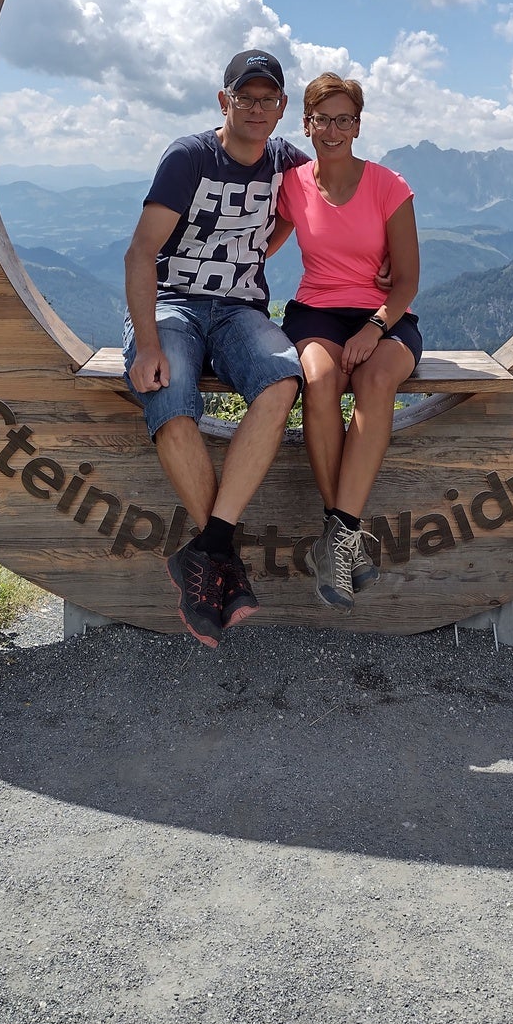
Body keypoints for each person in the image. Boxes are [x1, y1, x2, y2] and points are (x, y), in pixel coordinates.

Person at [123, 49, 305, 649]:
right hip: (174, 303)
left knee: (281, 380)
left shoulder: (287, 162)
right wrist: (147, 341)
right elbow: (140, 252)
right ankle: (222, 560)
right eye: (245, 97)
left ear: (281, 108)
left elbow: (333, 204)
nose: (257, 108)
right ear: (223, 100)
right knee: (169, 397)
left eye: (268, 99)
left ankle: (208, 555)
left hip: (239, 311)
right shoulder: (189, 157)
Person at [275, 73, 421, 610]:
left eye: (345, 119)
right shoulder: (292, 184)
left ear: (358, 125)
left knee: (377, 378)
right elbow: (257, 241)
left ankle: (337, 534)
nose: (333, 129)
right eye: (323, 119)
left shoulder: (389, 186)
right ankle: (345, 541)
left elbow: (405, 279)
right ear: (307, 124)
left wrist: (375, 327)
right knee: (317, 380)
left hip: (384, 316)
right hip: (315, 312)